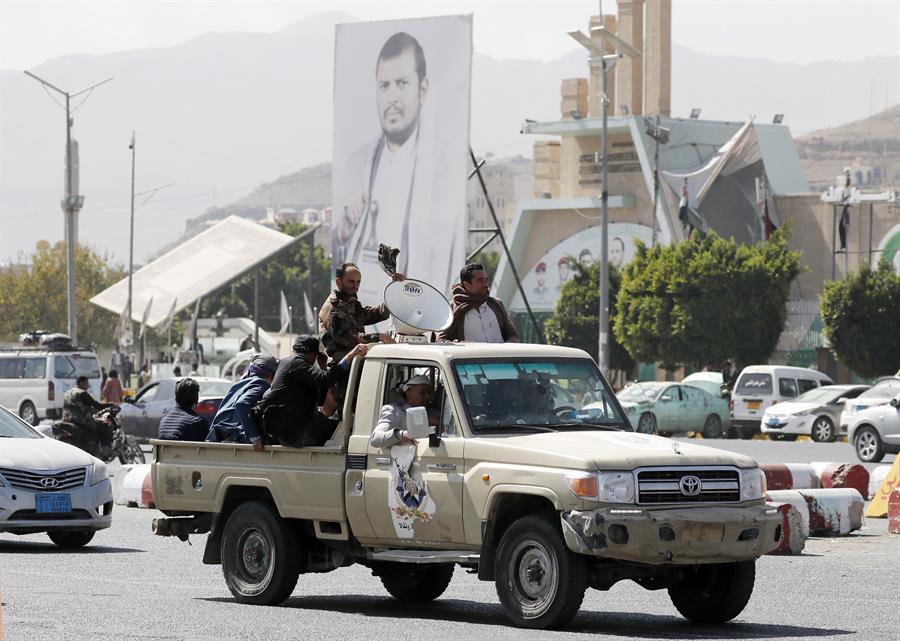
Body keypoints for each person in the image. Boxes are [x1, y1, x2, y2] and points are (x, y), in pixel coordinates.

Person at [333, 31, 460, 299]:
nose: (391, 97)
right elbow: (337, 251)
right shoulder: (357, 163)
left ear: (422, 89)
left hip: (419, 315)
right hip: (365, 317)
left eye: (401, 83)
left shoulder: (445, 164)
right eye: (384, 86)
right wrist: (343, 229)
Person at [256, 335, 368, 448]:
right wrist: (350, 355)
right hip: (297, 434)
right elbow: (326, 379)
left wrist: (323, 367)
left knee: (335, 426)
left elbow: (320, 400)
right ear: (313, 354)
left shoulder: (288, 364)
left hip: (292, 433)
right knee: (347, 429)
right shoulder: (295, 363)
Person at [321, 262, 402, 363]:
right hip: (341, 366)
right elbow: (348, 339)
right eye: (351, 282)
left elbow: (378, 314)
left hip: (355, 358)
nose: (355, 286)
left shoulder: (351, 303)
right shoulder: (334, 308)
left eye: (358, 282)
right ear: (338, 282)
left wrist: (394, 289)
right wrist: (380, 337)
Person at [207, 354, 279, 450]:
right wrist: (255, 438)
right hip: (234, 438)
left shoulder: (237, 386)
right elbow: (242, 404)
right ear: (273, 375)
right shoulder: (261, 384)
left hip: (216, 437)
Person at [438, 263, 519, 343]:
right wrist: (457, 345)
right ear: (467, 285)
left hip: (500, 355)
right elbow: (440, 340)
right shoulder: (452, 309)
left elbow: (513, 335)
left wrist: (506, 347)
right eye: (480, 280)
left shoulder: (496, 304)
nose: (485, 284)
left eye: (486, 280)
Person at [370, 375, 433, 448]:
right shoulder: (393, 411)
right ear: (408, 392)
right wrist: (401, 435)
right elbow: (375, 439)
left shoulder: (430, 412)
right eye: (422, 393)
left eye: (429, 393)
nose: (427, 397)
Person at [62, 376, 111, 454]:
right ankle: (105, 447)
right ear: (81, 383)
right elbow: (96, 405)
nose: (88, 386)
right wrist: (111, 405)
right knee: (105, 424)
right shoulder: (82, 393)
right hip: (80, 420)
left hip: (67, 419)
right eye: (87, 383)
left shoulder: (68, 392)